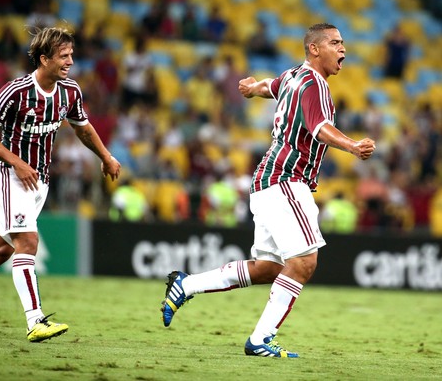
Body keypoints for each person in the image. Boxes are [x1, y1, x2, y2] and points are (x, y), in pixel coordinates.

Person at [160, 23, 376, 358]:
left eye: (343, 43)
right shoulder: (314, 84)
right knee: (304, 262)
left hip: (267, 182)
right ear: (314, 49)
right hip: (286, 180)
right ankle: (261, 339)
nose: (343, 49)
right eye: (335, 43)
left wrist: (251, 88)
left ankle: (186, 285)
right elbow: (319, 128)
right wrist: (352, 145)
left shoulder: (292, 76)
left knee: (270, 268)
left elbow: (269, 86)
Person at [0, 27, 121, 342]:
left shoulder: (70, 92)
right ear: (44, 59)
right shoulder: (15, 91)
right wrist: (16, 161)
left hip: (38, 179)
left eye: (71, 54)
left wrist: (106, 156)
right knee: (28, 243)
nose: (70, 61)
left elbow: (83, 128)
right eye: (63, 56)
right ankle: (35, 319)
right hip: (9, 175)